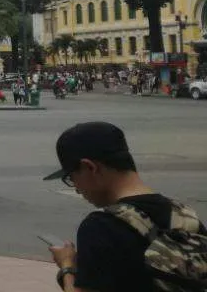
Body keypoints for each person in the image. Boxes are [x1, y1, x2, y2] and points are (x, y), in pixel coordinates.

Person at [44, 122, 207, 292]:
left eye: (71, 177)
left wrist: (67, 266)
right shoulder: (185, 215)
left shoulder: (101, 227)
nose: (77, 188)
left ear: (90, 167)